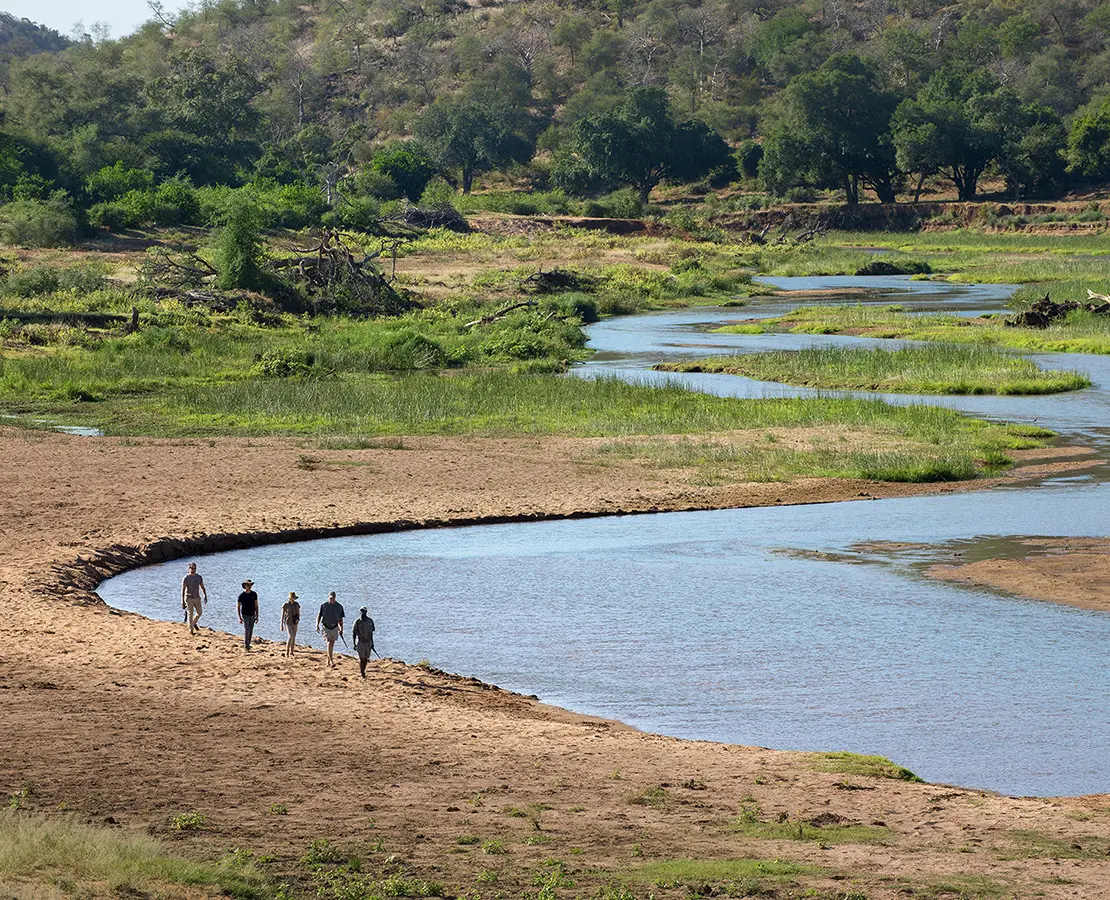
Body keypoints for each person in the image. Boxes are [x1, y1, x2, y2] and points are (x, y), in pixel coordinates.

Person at [316, 591, 345, 668]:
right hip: (326, 626)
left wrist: (341, 629)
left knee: (332, 644)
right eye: (330, 598)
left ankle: (328, 660)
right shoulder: (324, 605)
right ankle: (331, 660)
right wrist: (317, 625)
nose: (331, 599)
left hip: (335, 627)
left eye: (333, 598)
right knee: (328, 642)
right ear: (328, 597)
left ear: (335, 598)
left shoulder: (339, 607)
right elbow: (319, 616)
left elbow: (340, 619)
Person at [181, 563, 208, 635]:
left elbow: (202, 586)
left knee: (199, 612)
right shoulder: (186, 578)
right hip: (189, 597)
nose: (193, 570)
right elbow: (183, 590)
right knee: (190, 613)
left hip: (197, 597)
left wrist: (205, 595)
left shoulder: (199, 577)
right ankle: (191, 630)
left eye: (194, 568)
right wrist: (182, 601)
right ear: (189, 568)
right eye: (192, 568)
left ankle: (193, 623)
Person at [352, 607, 376, 678]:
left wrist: (372, 643)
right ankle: (362, 672)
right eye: (361, 611)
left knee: (366, 658)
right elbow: (354, 633)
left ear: (366, 612)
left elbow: (371, 633)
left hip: (368, 642)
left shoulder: (370, 621)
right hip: (360, 642)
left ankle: (363, 670)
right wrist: (354, 644)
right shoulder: (357, 621)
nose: (363, 613)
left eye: (364, 611)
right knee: (362, 658)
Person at [237, 579, 259, 651]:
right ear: (245, 586)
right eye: (247, 585)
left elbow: (256, 605)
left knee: (251, 630)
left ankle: (248, 644)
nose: (249, 586)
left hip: (252, 614)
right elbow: (238, 606)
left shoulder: (254, 594)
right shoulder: (242, 595)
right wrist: (239, 617)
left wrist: (257, 615)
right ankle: (246, 646)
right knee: (247, 629)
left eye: (250, 585)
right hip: (245, 614)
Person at [281, 591, 300, 657]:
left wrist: (298, 620)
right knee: (290, 636)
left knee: (294, 637)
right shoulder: (285, 605)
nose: (293, 599)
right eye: (292, 598)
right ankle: (287, 652)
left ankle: (292, 652)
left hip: (295, 623)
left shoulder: (297, 604)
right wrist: (281, 624)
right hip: (288, 622)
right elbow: (282, 615)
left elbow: (298, 614)